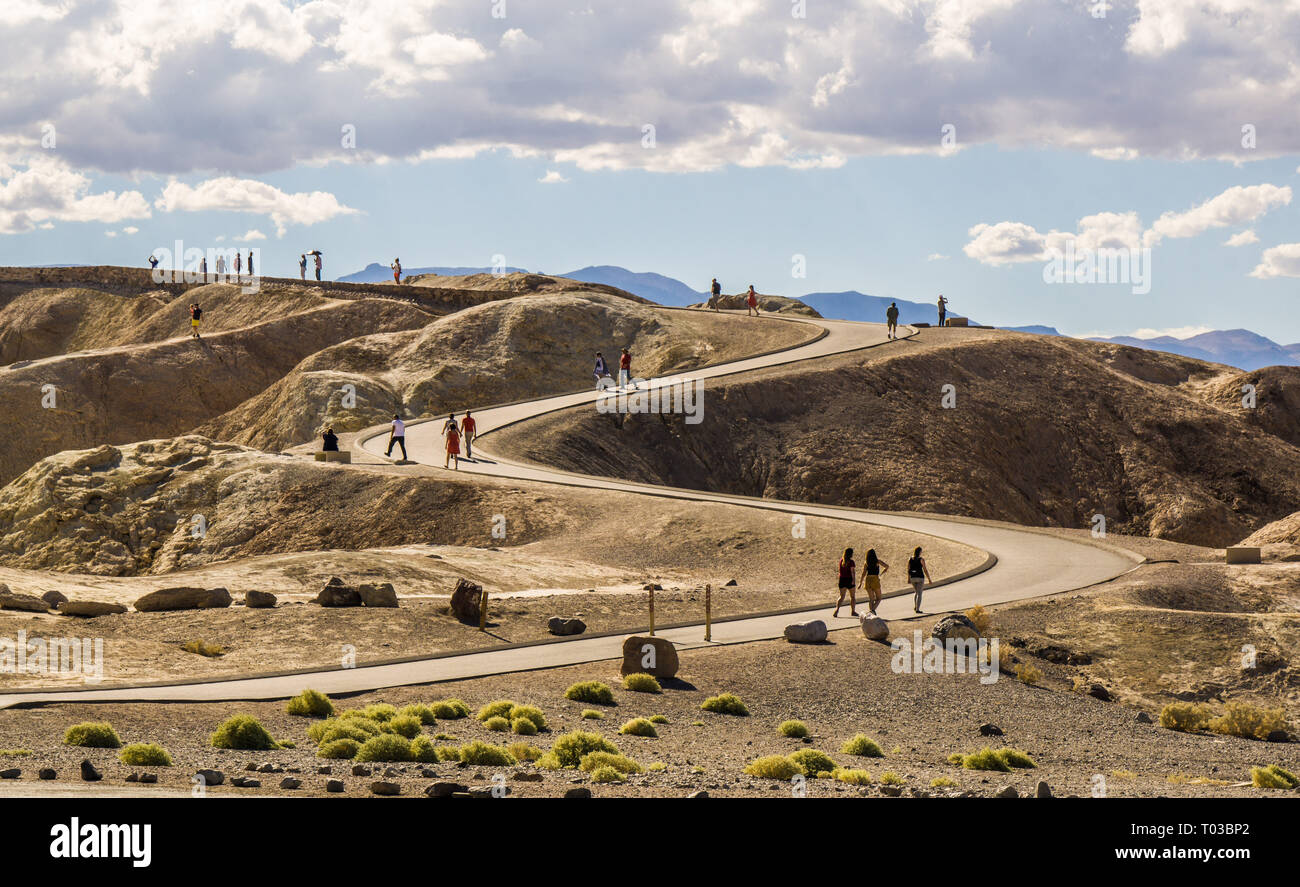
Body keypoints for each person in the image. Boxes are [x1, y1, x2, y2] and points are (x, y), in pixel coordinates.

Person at [858, 548, 890, 615]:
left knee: (871, 599)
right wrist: (882, 573)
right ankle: (872, 611)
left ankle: (871, 612)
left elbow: (863, 573)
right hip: (875, 579)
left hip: (868, 579)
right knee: (879, 598)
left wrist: (860, 583)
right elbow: (887, 566)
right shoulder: (877, 561)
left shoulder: (866, 563)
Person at [833, 547, 857, 618]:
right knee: (852, 596)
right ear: (851, 554)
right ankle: (853, 611)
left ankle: (837, 610)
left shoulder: (841, 561)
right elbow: (852, 572)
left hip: (842, 580)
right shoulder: (851, 562)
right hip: (849, 579)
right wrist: (853, 580)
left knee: (842, 596)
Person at [907, 546, 932, 613]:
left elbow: (908, 569)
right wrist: (929, 579)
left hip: (912, 577)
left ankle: (915, 606)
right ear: (920, 552)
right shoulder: (921, 559)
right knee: (919, 594)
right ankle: (917, 609)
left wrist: (908, 578)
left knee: (916, 592)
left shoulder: (910, 559)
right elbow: (925, 570)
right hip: (920, 577)